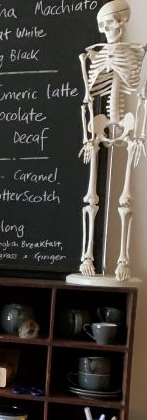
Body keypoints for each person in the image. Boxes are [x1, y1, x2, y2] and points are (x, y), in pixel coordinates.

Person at [77, 0, 146, 281]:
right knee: (91, 197)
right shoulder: (91, 56)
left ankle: (122, 259)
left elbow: (140, 97)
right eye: (107, 25)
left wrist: (139, 135)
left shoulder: (138, 52)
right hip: (99, 125)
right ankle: (87, 256)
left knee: (125, 198)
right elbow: (87, 101)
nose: (113, 29)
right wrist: (86, 138)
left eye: (118, 22)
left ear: (125, 22)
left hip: (128, 124)